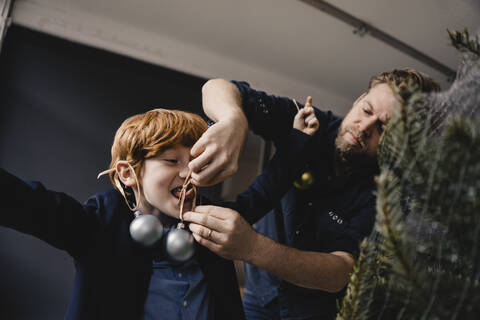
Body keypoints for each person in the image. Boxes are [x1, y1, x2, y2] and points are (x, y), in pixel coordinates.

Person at [0, 106, 318, 320]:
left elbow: (264, 192)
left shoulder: (212, 217)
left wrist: (299, 140)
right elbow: (28, 204)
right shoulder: (99, 222)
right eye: (171, 161)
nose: (188, 171)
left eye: (194, 160)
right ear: (128, 173)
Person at [183, 69, 441, 319]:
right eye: (367, 110)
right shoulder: (308, 122)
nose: (364, 128)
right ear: (359, 99)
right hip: (259, 296)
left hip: (316, 311)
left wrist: (251, 247)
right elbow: (218, 87)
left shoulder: (392, 192)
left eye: (385, 129)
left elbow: (340, 271)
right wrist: (234, 119)